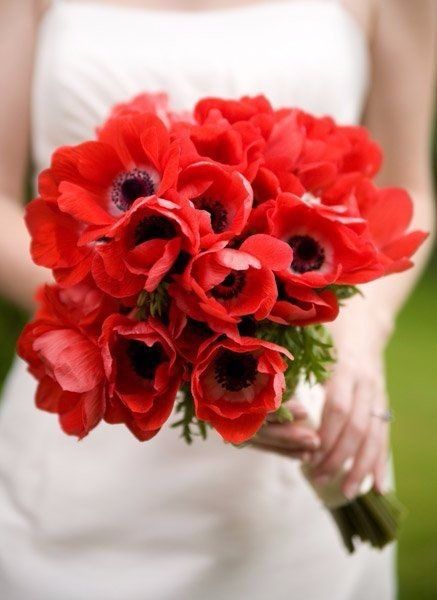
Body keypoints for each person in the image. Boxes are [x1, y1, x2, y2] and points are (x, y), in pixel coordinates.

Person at [0, 1, 435, 598]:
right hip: (105, 391)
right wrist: (143, 317)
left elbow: (406, 187)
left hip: (301, 419)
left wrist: (359, 338)